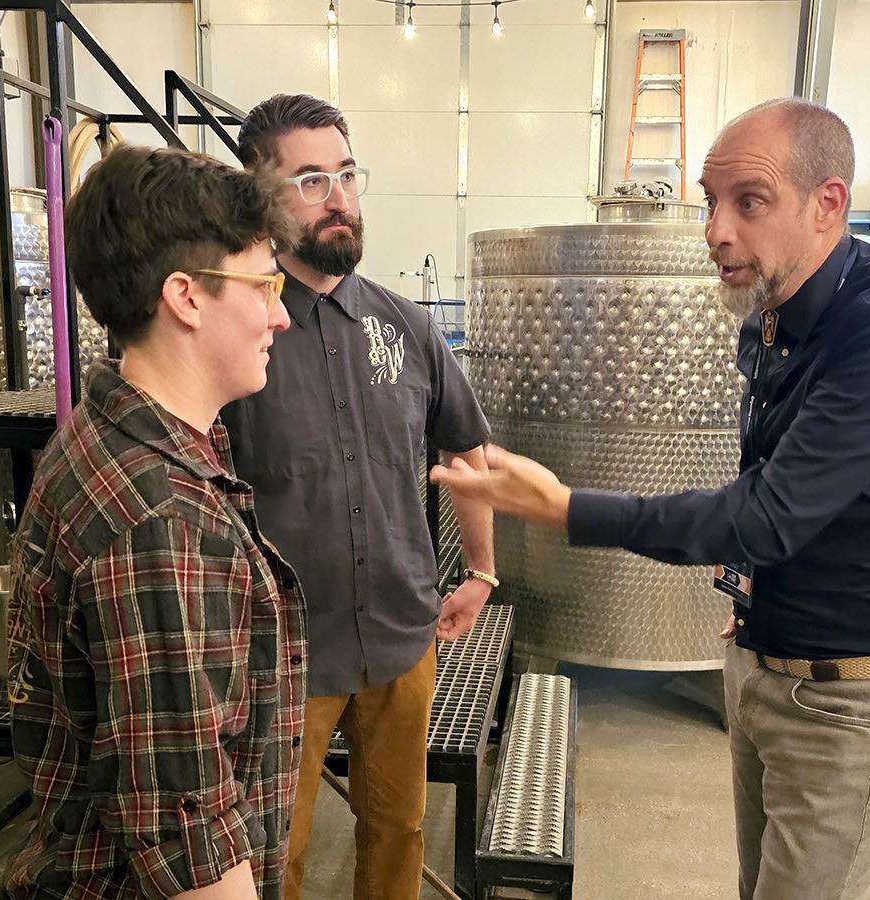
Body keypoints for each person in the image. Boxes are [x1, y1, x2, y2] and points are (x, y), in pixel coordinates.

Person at [433, 97, 870, 900]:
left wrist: (566, 507)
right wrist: (748, 593)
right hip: (763, 657)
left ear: (827, 203)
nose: (716, 229)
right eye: (712, 201)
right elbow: (768, 487)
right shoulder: (769, 318)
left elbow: (769, 514)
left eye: (749, 202)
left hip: (856, 695)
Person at [4, 144, 307, 900]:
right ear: (186, 297)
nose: (281, 314)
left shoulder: (114, 436)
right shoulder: (161, 519)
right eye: (266, 284)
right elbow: (186, 835)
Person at [223, 94, 496, 900]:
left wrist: (482, 571)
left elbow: (466, 448)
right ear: (261, 195)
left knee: (398, 830)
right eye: (311, 180)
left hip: (400, 636)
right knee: (275, 853)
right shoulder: (237, 330)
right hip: (280, 656)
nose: (338, 197)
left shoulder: (406, 327)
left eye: (346, 174)